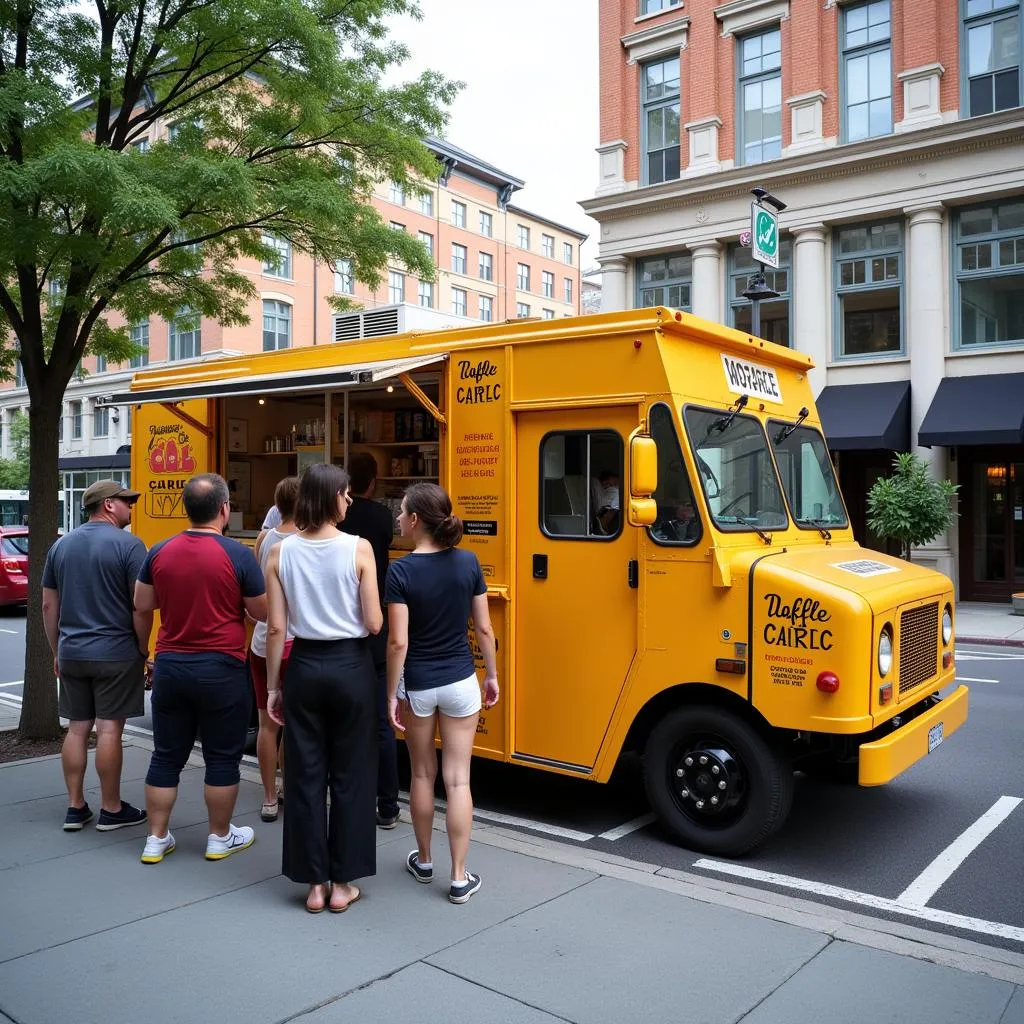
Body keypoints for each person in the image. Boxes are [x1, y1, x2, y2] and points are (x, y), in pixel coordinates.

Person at [264, 464, 382, 913]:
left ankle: (313, 884)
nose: (350, 500)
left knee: (305, 775)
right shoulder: (359, 549)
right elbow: (373, 622)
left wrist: (274, 688)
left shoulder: (280, 552)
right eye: (346, 494)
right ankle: (342, 884)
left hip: (305, 665)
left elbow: (276, 628)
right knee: (352, 774)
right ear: (332, 497)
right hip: (350, 666)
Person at [134, 474, 267, 865]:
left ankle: (156, 839)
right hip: (222, 668)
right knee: (222, 758)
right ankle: (219, 837)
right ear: (225, 510)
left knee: (165, 756)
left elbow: (143, 603)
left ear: (186, 510)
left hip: (172, 667)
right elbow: (260, 612)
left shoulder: (159, 551)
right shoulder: (238, 554)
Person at [385, 483, 498, 905]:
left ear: (415, 521)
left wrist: (391, 692)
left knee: (420, 774)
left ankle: (425, 860)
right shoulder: (468, 562)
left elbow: (398, 643)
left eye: (401, 511)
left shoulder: (400, 570)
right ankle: (458, 876)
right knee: (458, 778)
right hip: (460, 681)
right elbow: (484, 628)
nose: (397, 518)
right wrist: (492, 674)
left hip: (418, 684)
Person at [41, 480, 150, 833]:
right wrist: (143, 648)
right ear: (108, 506)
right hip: (116, 652)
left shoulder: (61, 547)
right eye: (126, 502)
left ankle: (75, 807)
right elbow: (141, 607)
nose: (130, 508)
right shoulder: (130, 546)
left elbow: (47, 605)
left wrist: (58, 650)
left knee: (76, 728)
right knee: (108, 731)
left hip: (72, 651)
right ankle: (111, 808)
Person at [339, 452, 400, 830]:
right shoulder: (380, 517)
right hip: (373, 628)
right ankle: (388, 805)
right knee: (381, 723)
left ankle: (349, 798)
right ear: (373, 482)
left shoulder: (337, 522)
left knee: (345, 723)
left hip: (341, 634)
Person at [249, 476, 300, 822]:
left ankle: (268, 797)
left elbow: (257, 588)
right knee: (295, 725)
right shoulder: (306, 542)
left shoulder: (265, 538)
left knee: (267, 724)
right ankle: (291, 790)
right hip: (295, 642)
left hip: (261, 640)